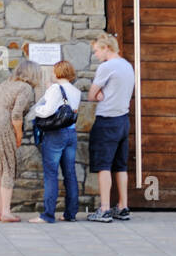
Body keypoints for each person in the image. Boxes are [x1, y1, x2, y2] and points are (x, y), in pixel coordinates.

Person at [0, 59, 40, 222]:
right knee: (8, 166)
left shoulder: (5, 84)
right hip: (3, 125)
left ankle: (0, 211)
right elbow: (16, 114)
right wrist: (19, 136)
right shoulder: (25, 87)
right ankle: (6, 212)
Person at [86, 32, 135, 223]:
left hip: (107, 120)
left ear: (106, 48)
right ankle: (123, 206)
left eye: (97, 51)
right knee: (120, 166)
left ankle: (105, 209)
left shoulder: (107, 67)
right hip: (123, 119)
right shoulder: (127, 65)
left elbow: (91, 94)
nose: (96, 55)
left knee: (103, 165)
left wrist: (97, 94)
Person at [28, 60, 81, 224]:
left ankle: (48, 215)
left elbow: (48, 111)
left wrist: (36, 110)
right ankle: (70, 213)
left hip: (55, 134)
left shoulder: (55, 88)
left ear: (57, 72)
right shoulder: (76, 91)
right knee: (70, 174)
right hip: (71, 133)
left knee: (51, 175)